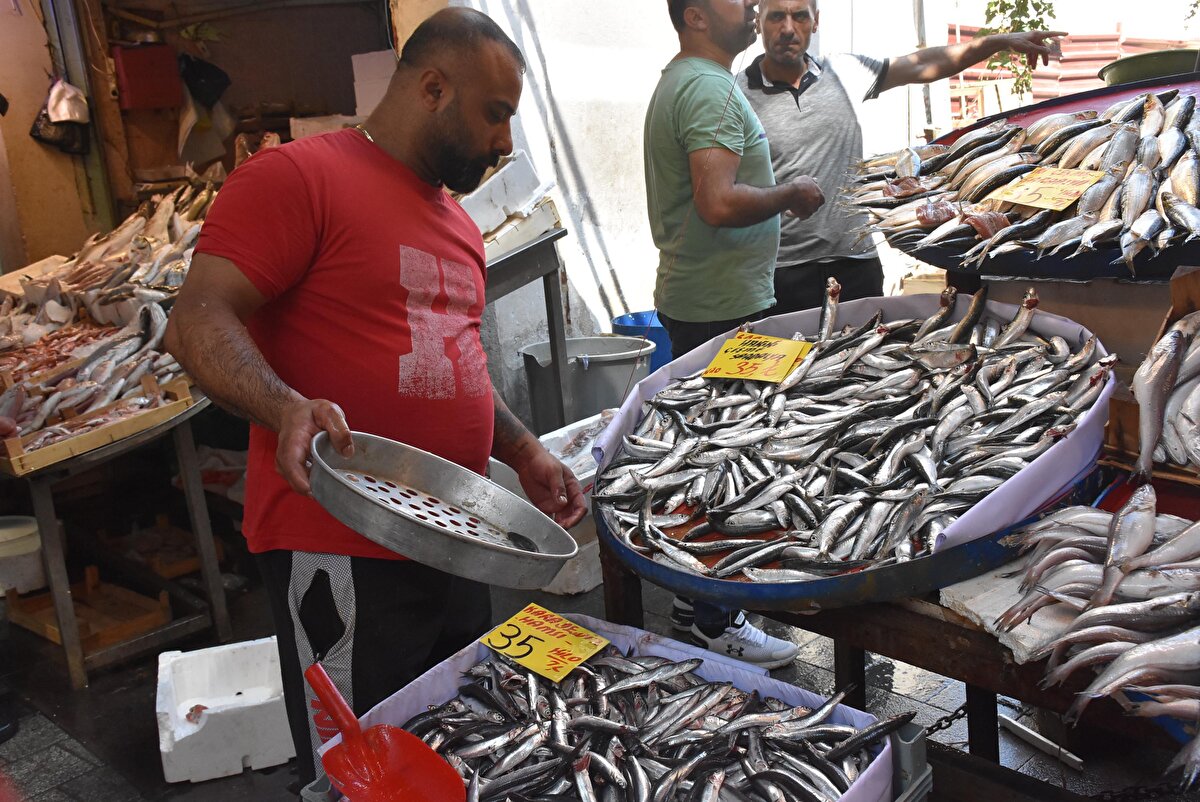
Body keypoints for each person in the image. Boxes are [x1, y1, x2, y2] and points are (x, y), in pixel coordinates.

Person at [164, 9, 586, 798]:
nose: (505, 142)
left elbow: (453, 366)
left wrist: (523, 450)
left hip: (461, 539)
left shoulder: (458, 223)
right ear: (432, 87)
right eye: (496, 114)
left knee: (450, 746)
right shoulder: (298, 177)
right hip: (345, 546)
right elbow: (196, 320)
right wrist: (286, 405)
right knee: (355, 768)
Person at [646, 0, 824, 669]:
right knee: (732, 463)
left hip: (708, 300)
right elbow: (717, 200)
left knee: (714, 458)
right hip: (720, 308)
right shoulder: (709, 87)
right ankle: (711, 619)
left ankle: (710, 601)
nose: (749, 6)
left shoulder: (683, 80)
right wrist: (790, 193)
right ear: (694, 14)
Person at [741, 0, 1065, 314]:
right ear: (758, 21)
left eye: (799, 16)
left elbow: (923, 64)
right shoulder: (736, 93)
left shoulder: (844, 71)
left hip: (857, 262)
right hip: (780, 271)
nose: (787, 28)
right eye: (775, 17)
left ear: (815, 21)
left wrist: (1000, 41)